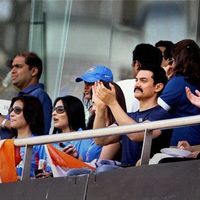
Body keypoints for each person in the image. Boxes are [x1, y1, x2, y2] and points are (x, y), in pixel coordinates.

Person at [93, 65, 172, 166]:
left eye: (143, 80)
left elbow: (136, 135)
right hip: (125, 175)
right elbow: (100, 140)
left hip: (149, 177)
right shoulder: (128, 117)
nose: (137, 84)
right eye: (136, 80)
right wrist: (100, 108)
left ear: (158, 87)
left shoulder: (162, 115)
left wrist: (112, 103)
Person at [158, 39, 200, 146]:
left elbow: (154, 111)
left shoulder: (178, 82)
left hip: (182, 148)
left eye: (172, 60)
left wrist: (163, 80)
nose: (170, 64)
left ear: (178, 59)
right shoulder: (194, 80)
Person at [0, 52, 52, 138]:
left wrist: (3, 122)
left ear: (34, 71)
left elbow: (39, 134)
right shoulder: (21, 96)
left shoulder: (39, 95)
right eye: (12, 67)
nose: (12, 71)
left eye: (18, 66)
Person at [9, 95, 50, 178]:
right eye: (11, 110)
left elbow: (47, 175)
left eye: (17, 110)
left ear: (30, 113)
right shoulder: (7, 143)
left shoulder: (41, 144)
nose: (11, 114)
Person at [52, 95, 102, 162]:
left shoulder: (87, 143)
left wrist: (76, 159)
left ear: (73, 112)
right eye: (54, 110)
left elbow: (90, 169)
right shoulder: (50, 142)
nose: (53, 113)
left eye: (60, 110)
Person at [92, 81, 127, 161]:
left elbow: (99, 165)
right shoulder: (94, 125)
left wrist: (100, 107)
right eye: (93, 103)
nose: (93, 109)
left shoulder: (119, 127)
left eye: (95, 103)